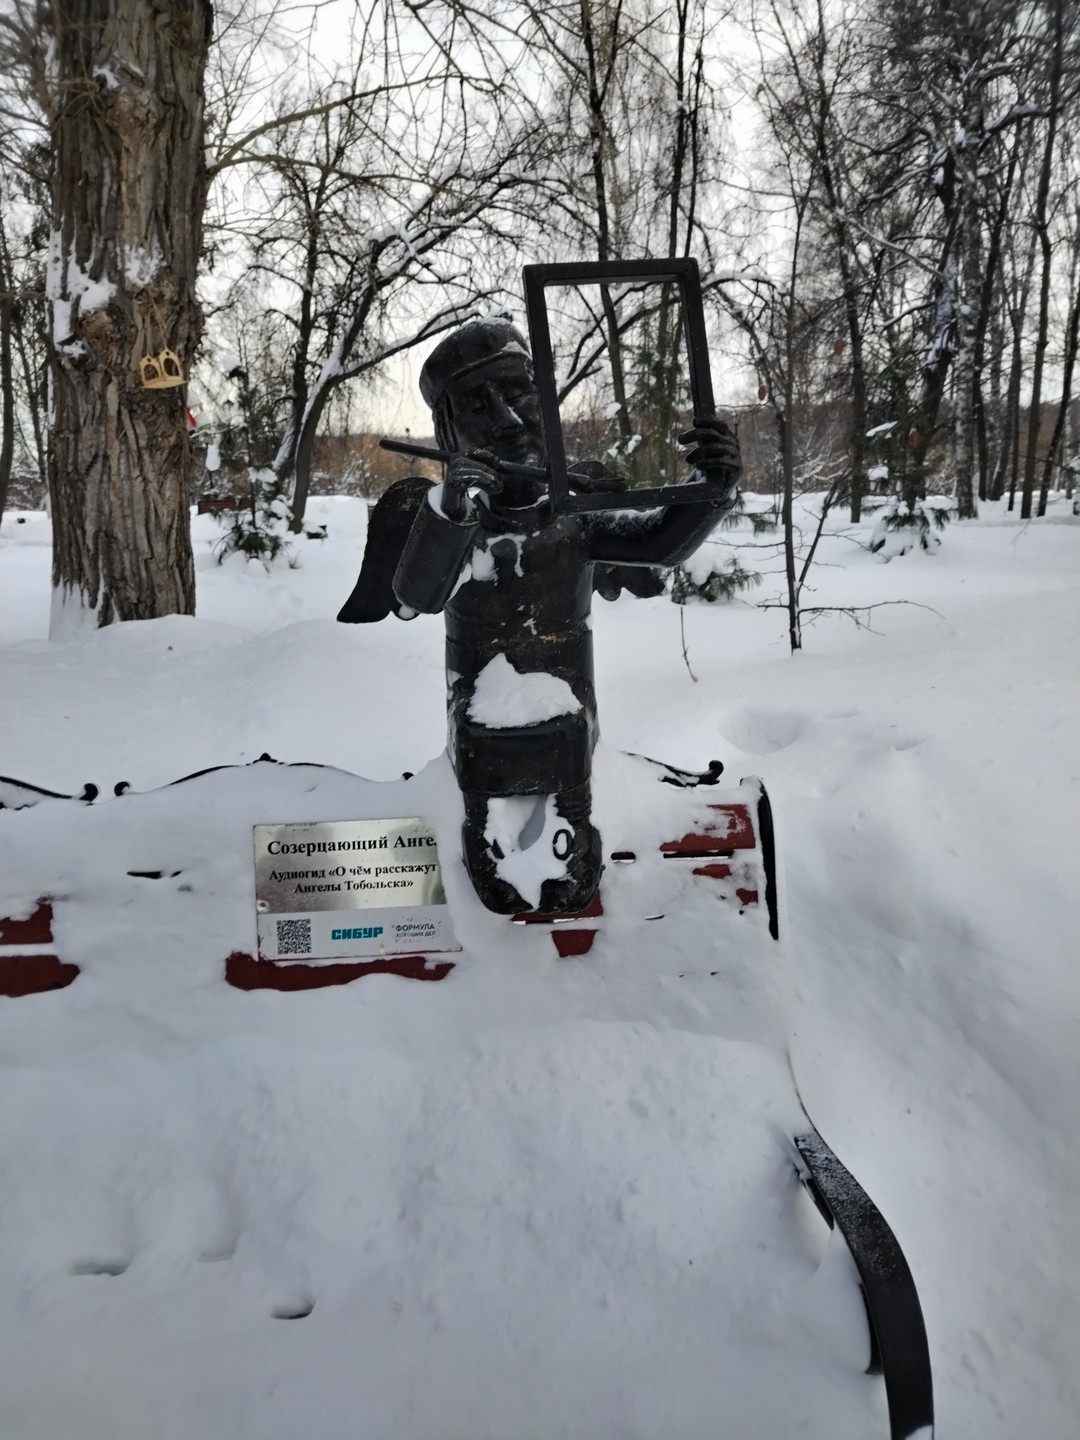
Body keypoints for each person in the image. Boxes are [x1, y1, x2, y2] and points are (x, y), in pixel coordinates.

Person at [338, 317, 740, 915]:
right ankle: (486, 844)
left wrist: (713, 488)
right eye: (477, 406)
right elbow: (418, 595)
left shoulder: (575, 504)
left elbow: (656, 546)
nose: (507, 420)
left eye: (519, 394)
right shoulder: (443, 516)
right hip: (479, 700)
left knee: (571, 761)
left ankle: (571, 843)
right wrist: (452, 511)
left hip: (566, 694)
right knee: (484, 769)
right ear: (448, 430)